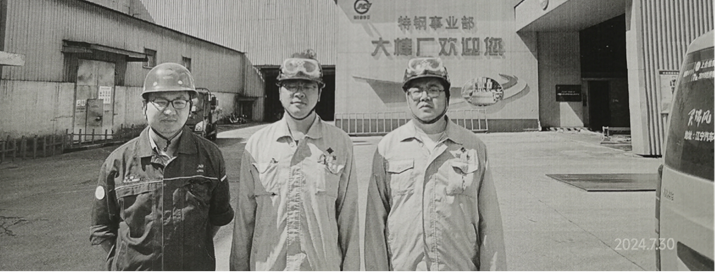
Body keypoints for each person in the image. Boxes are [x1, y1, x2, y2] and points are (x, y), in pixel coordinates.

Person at [365, 57, 506, 272]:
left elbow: (491, 223)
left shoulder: (472, 147)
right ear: (407, 97)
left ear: (447, 97)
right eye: (416, 90)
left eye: (433, 90)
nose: (425, 97)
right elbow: (375, 224)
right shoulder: (388, 148)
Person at [90, 62, 234, 272]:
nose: (170, 111)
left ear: (190, 107)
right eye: (160, 102)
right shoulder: (118, 161)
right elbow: (102, 228)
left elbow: (218, 216)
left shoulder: (210, 156)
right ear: (144, 106)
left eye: (179, 102)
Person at [230, 51, 360, 272]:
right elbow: (244, 218)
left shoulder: (340, 144)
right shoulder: (257, 145)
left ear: (319, 93)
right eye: (291, 86)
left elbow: (349, 220)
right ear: (280, 91)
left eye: (308, 86)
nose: (299, 93)